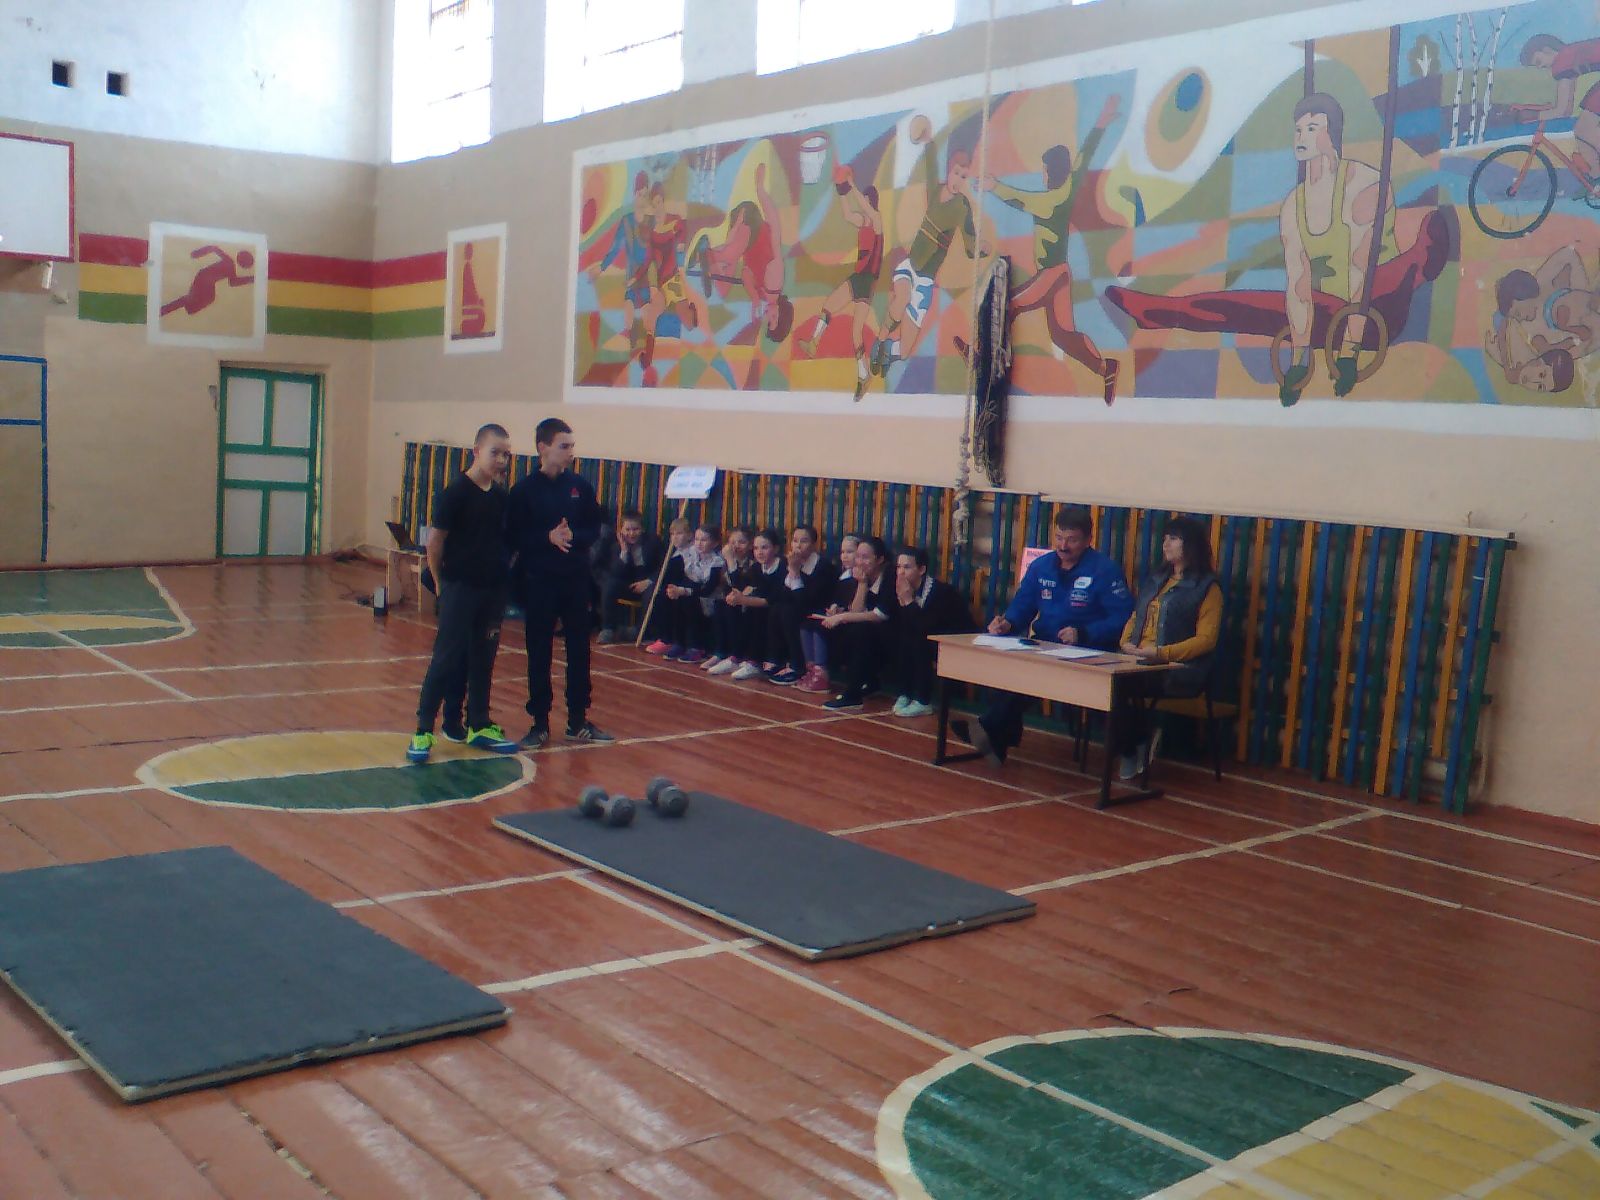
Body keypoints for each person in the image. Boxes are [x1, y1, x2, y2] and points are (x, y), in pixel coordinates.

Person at [952, 506, 1133, 764]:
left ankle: (992, 732)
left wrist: (1083, 633)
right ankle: (996, 735)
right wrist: (1007, 623)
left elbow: (1122, 617)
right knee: (1015, 672)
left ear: (1088, 540)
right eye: (1059, 537)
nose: (1063, 546)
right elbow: (1023, 605)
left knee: (1039, 679)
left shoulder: (1105, 570)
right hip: (1044, 646)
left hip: (1089, 651)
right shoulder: (1041, 566)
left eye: (1072, 540)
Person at [979, 95, 1122, 403]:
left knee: (1008, 305)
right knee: (1063, 336)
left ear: (1050, 172)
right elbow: (1084, 159)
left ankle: (980, 354)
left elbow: (1019, 199)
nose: (1042, 175)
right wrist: (1100, 123)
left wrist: (994, 186)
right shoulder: (1069, 188)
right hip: (1062, 274)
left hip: (1052, 274)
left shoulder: (1048, 201)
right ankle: (1105, 368)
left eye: (1044, 170)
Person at [407, 424, 520, 763]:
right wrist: (442, 585)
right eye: (495, 453)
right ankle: (423, 729)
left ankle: (479, 723)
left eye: (506, 455)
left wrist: (501, 575)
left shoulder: (501, 498)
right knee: (446, 657)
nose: (501, 460)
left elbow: (506, 543)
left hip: (491, 591)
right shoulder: (455, 493)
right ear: (476, 451)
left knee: (483, 658)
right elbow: (435, 543)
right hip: (459, 588)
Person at [1278, 93, 1398, 403]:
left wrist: (1348, 354)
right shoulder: (1293, 205)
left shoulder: (1362, 183)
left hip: (1375, 291)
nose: (1302, 137)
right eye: (1298, 130)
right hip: (1330, 292)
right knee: (1299, 282)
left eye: (1312, 129)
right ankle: (1300, 358)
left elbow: (1363, 266)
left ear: (1332, 135)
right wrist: (1298, 359)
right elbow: (1297, 278)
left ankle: (1348, 350)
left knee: (1359, 259)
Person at [505, 418, 614, 748]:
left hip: (575, 580)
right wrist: (547, 537)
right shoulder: (523, 491)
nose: (570, 452)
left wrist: (572, 536)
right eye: (564, 446)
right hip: (539, 581)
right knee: (539, 651)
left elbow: (594, 528)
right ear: (543, 448)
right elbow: (514, 536)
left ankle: (577, 720)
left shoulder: (580, 486)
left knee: (580, 649)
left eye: (572, 446)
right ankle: (539, 722)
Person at [1117, 516, 1224, 779]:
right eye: (1165, 538)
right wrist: (1125, 642)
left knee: (1119, 687)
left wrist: (1161, 653)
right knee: (1100, 683)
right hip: (1138, 658)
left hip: (1175, 667)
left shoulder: (1207, 588)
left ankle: (1133, 746)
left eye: (1173, 539)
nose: (1165, 544)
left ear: (1191, 545)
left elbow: (1206, 640)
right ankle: (1135, 741)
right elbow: (1136, 616)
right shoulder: (1156, 579)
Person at [799, 166, 884, 400]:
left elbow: (866, 208)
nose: (863, 206)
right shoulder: (864, 222)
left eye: (866, 201)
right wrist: (842, 192)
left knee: (856, 332)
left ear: (871, 202)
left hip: (868, 281)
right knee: (828, 305)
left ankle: (863, 376)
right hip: (857, 277)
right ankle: (814, 343)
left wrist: (852, 184)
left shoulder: (877, 221)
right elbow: (848, 215)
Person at [890, 546, 976, 718]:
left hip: (954, 641)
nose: (901, 572)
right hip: (926, 638)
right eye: (898, 567)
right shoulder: (901, 588)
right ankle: (905, 692)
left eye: (907, 567)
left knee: (918, 641)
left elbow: (926, 626)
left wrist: (908, 602)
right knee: (903, 638)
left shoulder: (941, 592)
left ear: (921, 569)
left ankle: (923, 700)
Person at [819, 536, 898, 710]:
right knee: (842, 629)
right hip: (874, 631)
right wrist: (862, 584)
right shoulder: (862, 576)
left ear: (880, 559)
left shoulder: (891, 577)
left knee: (860, 632)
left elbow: (880, 615)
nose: (860, 562)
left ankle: (852, 694)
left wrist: (842, 617)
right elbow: (856, 611)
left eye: (865, 557)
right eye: (858, 556)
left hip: (896, 631)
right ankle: (868, 681)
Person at [1520, 34, 1600, 179]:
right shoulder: (1571, 54)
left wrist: (1530, 115)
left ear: (1547, 50)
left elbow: (1563, 111)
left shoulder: (1563, 62)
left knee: (1584, 129)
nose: (1540, 67)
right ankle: (1596, 177)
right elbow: (1566, 108)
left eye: (1538, 61)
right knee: (1583, 129)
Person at [768, 524, 833, 688]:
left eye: (803, 541)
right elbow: (783, 596)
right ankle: (780, 660)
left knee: (789, 612)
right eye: (795, 540)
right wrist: (792, 571)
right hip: (799, 608)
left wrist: (795, 573)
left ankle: (799, 666)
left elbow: (807, 601)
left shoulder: (823, 566)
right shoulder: (791, 562)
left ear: (814, 544)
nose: (798, 545)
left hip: (819, 610)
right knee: (778, 609)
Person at [595, 508, 663, 643]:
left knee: (652, 593)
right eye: (627, 530)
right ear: (621, 530)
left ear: (642, 529)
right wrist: (624, 551)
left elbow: (663, 567)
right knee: (610, 585)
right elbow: (615, 572)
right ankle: (608, 628)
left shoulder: (653, 542)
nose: (631, 534)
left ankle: (640, 631)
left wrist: (649, 581)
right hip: (627, 582)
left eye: (635, 529)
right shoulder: (614, 544)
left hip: (647, 583)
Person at [661, 523, 725, 664]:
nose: (699, 543)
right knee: (675, 598)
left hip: (709, 600)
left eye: (704, 540)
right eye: (697, 539)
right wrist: (674, 589)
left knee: (689, 601)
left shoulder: (717, 561)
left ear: (714, 543)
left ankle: (697, 646)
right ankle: (679, 642)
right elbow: (681, 577)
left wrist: (684, 590)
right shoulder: (689, 554)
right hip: (690, 594)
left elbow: (708, 589)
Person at [708, 527, 758, 675]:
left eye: (741, 542)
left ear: (750, 545)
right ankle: (721, 652)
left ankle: (737, 656)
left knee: (731, 606)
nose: (736, 546)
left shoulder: (752, 564)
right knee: (719, 604)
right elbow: (724, 586)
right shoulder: (724, 563)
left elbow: (739, 586)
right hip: (732, 599)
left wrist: (730, 561)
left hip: (748, 602)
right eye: (732, 542)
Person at [643, 518, 693, 652]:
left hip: (687, 589)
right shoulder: (674, 552)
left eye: (679, 533)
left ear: (689, 535)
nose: (675, 537)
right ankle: (663, 637)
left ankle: (670, 639)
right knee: (658, 597)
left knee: (667, 600)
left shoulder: (692, 552)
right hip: (674, 588)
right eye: (672, 534)